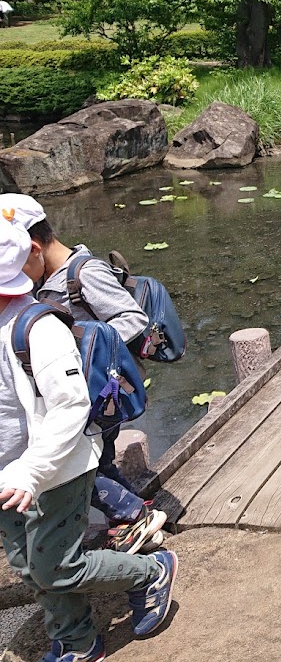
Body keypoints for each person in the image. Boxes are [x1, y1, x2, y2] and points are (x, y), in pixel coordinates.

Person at [0, 217, 178, 662]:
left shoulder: (36, 322)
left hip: (55, 459)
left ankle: (147, 570)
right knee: (27, 563)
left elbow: (72, 402)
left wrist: (83, 341)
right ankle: (75, 640)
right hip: (11, 470)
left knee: (56, 563)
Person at [2, 194, 167, 557]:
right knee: (96, 460)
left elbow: (133, 319)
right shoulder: (46, 277)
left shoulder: (84, 272)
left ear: (32, 249)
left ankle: (136, 515)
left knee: (81, 464)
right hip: (76, 387)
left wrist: (78, 344)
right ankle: (131, 516)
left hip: (100, 389)